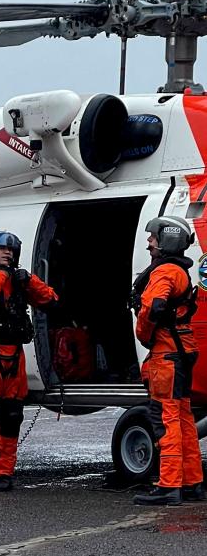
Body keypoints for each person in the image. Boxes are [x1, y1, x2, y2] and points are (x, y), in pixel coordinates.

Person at [0, 231, 57, 492]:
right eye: (3, 249)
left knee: (13, 415)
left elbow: (50, 301)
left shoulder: (20, 282)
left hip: (14, 354)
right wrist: (2, 276)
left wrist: (29, 281)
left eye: (12, 251)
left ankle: (4, 469)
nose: (8, 254)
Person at [131, 216, 204, 506]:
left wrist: (144, 334)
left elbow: (152, 307)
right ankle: (191, 482)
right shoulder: (181, 272)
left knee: (165, 418)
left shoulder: (164, 273)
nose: (149, 243)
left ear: (167, 239)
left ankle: (169, 485)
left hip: (166, 355)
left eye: (153, 238)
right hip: (181, 352)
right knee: (184, 419)